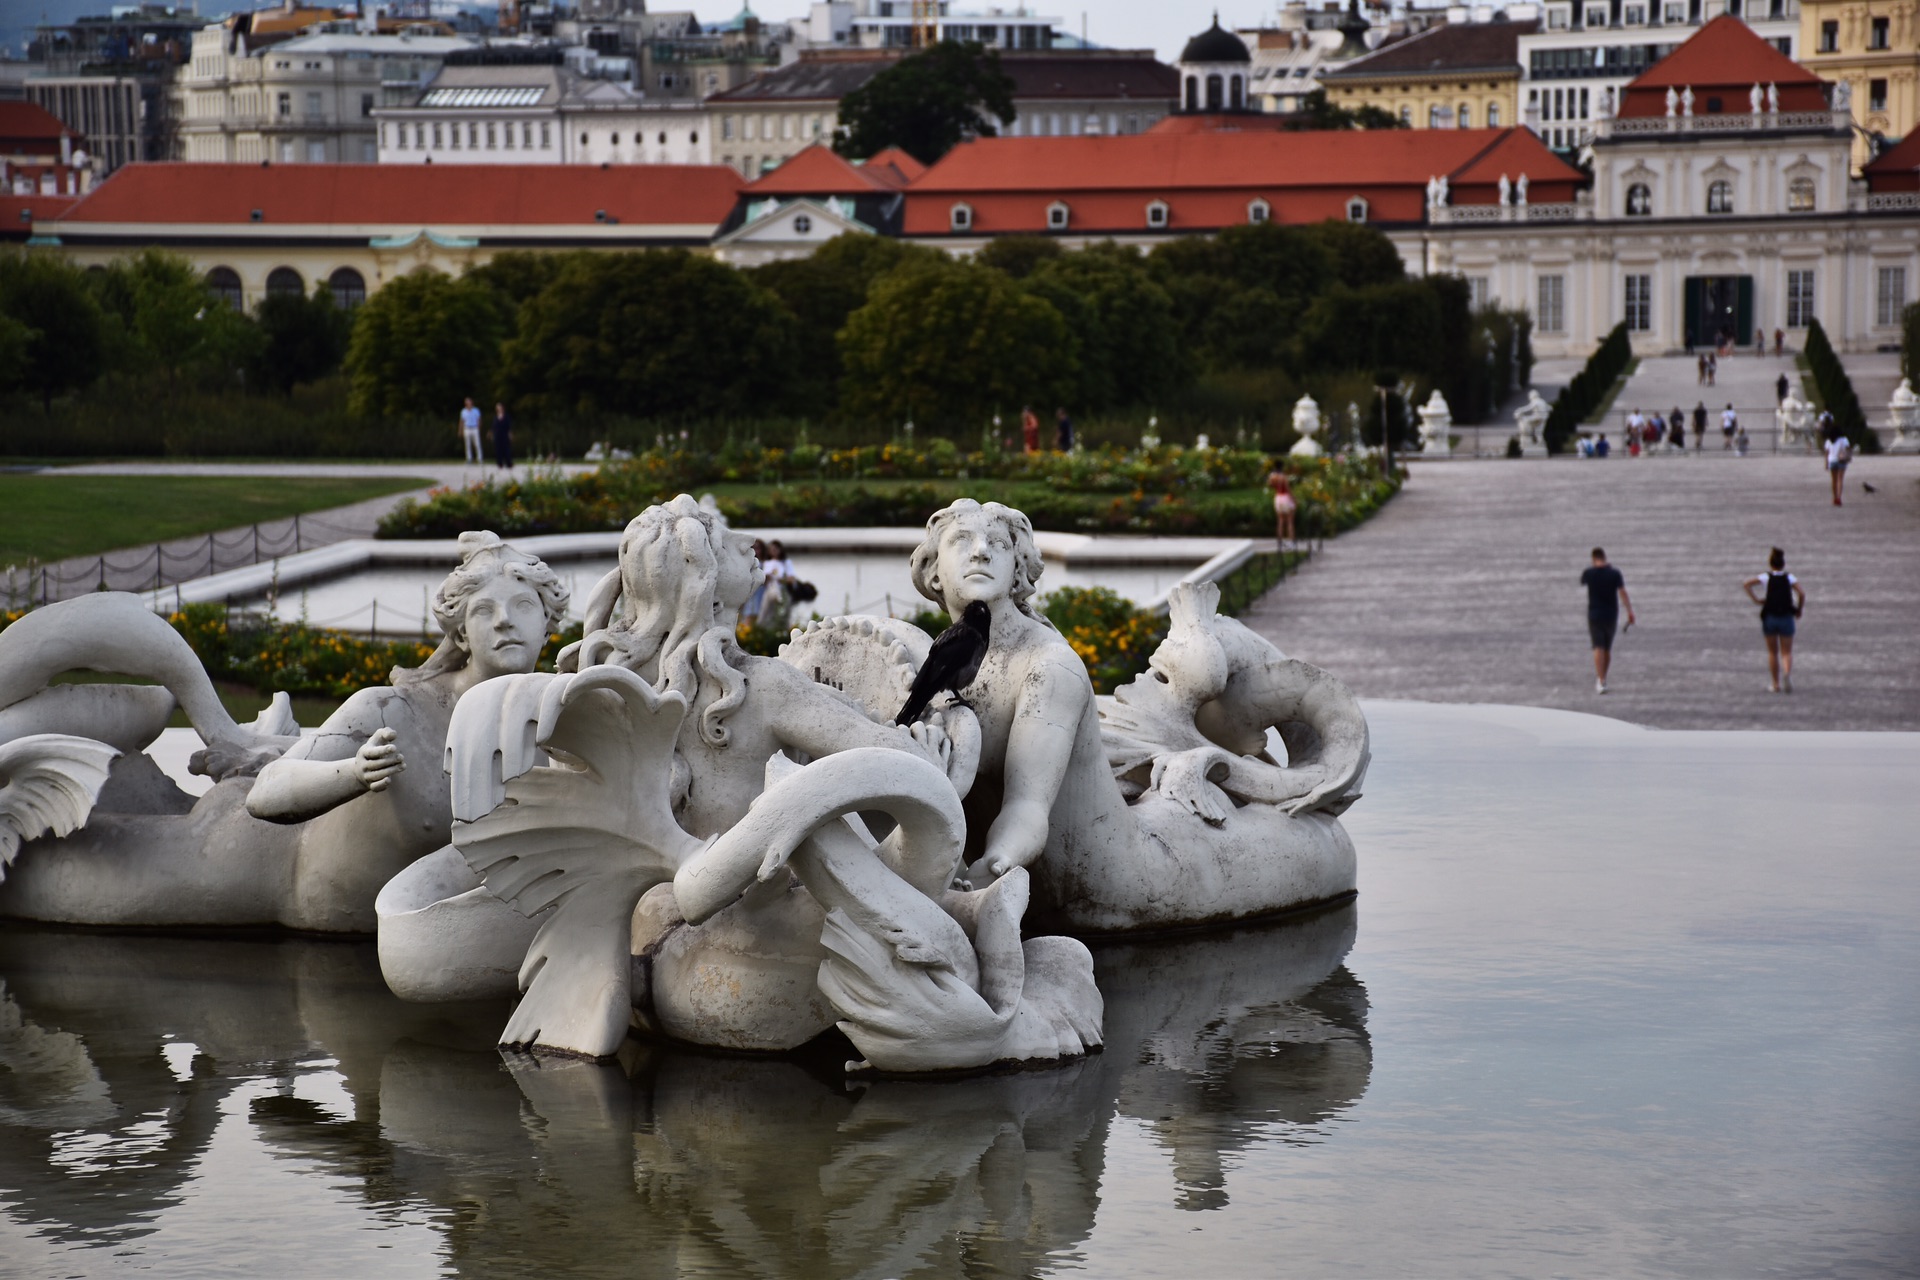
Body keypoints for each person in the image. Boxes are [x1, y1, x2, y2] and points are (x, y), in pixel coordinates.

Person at [1743, 547, 1805, 694]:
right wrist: (1799, 609)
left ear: (1771, 564)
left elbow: (1746, 584)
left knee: (1772, 652)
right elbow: (1801, 593)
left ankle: (1775, 684)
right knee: (1786, 652)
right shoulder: (1790, 578)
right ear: (1783, 564)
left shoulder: (1766, 577)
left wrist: (1757, 600)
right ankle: (1787, 674)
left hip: (1770, 617)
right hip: (1786, 617)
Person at [1581, 547, 1634, 694]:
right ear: (1605, 557)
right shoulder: (1614, 574)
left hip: (1594, 614)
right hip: (1611, 614)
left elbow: (1583, 581)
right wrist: (1629, 611)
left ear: (1593, 559)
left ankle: (1601, 680)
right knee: (1607, 648)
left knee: (1598, 646)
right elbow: (1622, 592)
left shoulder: (1589, 573)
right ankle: (1603, 678)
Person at [1265, 464, 1297, 544]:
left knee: (1280, 520)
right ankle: (1291, 540)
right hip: (1285, 497)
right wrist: (1294, 499)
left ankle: (1280, 540)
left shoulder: (1273, 477)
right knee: (1290, 520)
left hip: (1278, 497)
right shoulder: (1283, 477)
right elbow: (1288, 489)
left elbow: (1270, 485)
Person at [1824, 430, 1852, 505]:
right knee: (1840, 480)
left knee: (1834, 480)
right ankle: (1839, 497)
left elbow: (1827, 453)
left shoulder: (1829, 440)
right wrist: (1849, 457)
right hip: (1841, 460)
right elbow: (1848, 448)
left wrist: (1826, 463)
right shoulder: (1844, 439)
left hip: (1832, 461)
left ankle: (1834, 497)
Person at [458, 397, 483, 465]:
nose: (469, 404)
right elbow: (462, 421)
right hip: (467, 428)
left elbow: (479, 420)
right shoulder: (463, 411)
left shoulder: (476, 410)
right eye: (467, 403)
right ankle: (469, 459)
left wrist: (478, 428)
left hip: (474, 428)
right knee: (467, 445)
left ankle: (479, 458)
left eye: (470, 402)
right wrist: (460, 430)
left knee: (477, 444)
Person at [492, 401, 513, 471]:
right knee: (498, 449)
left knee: (506, 449)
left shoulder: (506, 416)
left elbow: (509, 426)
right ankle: (500, 463)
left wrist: (510, 434)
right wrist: (491, 433)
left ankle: (509, 463)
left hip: (504, 434)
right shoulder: (495, 417)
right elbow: (493, 426)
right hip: (497, 434)